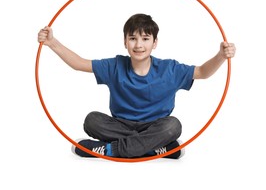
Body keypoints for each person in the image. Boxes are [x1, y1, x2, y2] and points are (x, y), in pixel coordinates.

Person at [37, 13, 236, 159]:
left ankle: (107, 150)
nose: (138, 45)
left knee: (173, 126)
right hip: (120, 125)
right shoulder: (115, 65)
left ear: (154, 43)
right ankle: (154, 149)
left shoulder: (169, 69)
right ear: (125, 42)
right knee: (92, 121)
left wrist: (220, 56)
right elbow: (79, 63)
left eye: (145, 39)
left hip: (156, 126)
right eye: (133, 38)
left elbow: (202, 72)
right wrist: (52, 42)